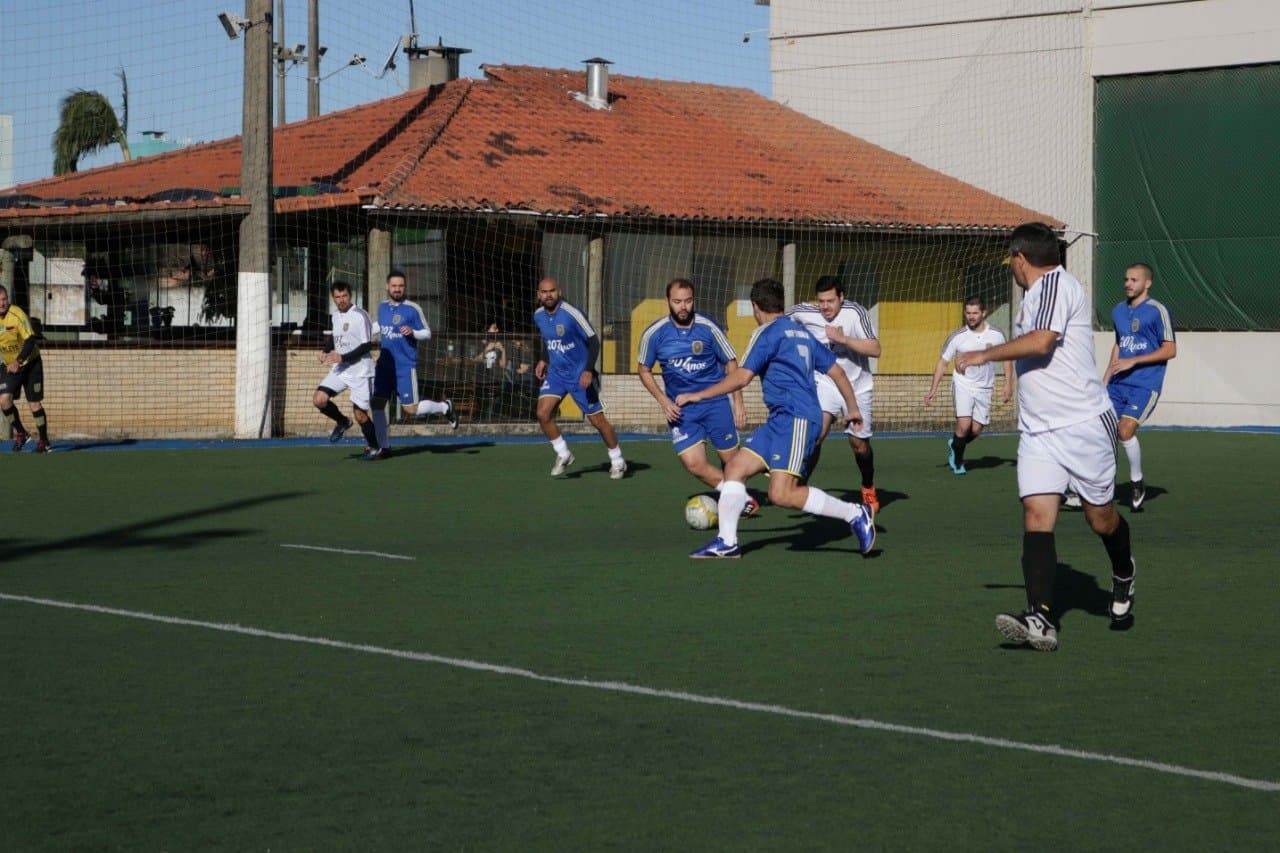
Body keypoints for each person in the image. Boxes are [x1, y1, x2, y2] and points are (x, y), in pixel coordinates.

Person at [955, 222, 1137, 651]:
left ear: (1021, 258)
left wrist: (982, 354)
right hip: (1038, 431)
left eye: (1011, 261)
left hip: (1084, 426)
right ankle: (1040, 617)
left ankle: (1124, 572)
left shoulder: (1056, 284)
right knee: (1037, 516)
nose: (1012, 268)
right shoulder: (1036, 296)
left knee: (1100, 519)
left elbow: (1041, 342)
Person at [675, 278, 875, 559]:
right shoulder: (802, 332)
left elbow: (742, 377)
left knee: (782, 494)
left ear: (756, 308)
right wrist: (852, 408)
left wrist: (700, 395)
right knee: (734, 468)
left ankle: (856, 514)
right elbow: (838, 373)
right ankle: (727, 541)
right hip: (780, 420)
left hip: (797, 419)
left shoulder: (766, 333)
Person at [637, 278, 756, 514]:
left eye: (688, 301)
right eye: (677, 301)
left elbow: (731, 363)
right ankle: (738, 497)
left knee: (732, 462)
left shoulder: (708, 328)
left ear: (694, 300)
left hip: (715, 403)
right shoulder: (654, 334)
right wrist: (663, 401)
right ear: (667, 302)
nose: (683, 307)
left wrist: (737, 403)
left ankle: (737, 498)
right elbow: (644, 369)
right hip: (682, 409)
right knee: (693, 463)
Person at [786, 276, 881, 516]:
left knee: (859, 446)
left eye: (830, 301)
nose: (825, 307)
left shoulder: (855, 312)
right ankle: (800, 485)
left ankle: (868, 485)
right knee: (817, 433)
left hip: (858, 386)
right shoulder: (803, 312)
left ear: (841, 297)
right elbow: (777, 322)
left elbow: (875, 349)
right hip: (826, 382)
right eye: (821, 301)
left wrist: (844, 339)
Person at [533, 277, 626, 479]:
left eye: (552, 291)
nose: (548, 295)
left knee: (598, 421)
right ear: (538, 294)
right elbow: (549, 340)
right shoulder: (538, 315)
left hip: (579, 375)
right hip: (557, 374)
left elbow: (594, 341)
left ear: (559, 291)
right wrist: (543, 359)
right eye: (544, 292)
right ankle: (563, 453)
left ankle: (618, 461)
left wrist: (588, 370)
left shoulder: (572, 314)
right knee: (542, 413)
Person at [1103, 263, 1176, 511]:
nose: (1128, 284)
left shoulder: (1157, 311)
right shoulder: (1118, 311)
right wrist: (1105, 380)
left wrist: (1134, 360)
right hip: (1117, 384)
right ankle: (1097, 486)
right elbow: (1119, 345)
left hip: (1145, 384)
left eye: (1134, 280)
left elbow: (1170, 349)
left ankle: (1136, 482)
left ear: (1147, 283)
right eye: (1126, 279)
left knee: (1124, 430)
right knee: (1101, 434)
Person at [923, 296, 1014, 474]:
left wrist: (1008, 383)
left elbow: (1007, 358)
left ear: (984, 313)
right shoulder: (957, 337)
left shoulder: (996, 335)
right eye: (968, 313)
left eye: (975, 313)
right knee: (964, 425)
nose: (971, 316)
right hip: (963, 384)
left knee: (977, 429)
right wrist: (933, 388)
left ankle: (955, 443)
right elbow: (942, 362)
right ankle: (958, 462)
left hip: (985, 387)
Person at [370, 270, 458, 451]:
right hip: (384, 367)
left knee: (411, 410)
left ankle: (444, 407)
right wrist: (362, 333)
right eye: (394, 286)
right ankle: (383, 446)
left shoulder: (412, 308)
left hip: (404, 367)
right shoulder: (382, 307)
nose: (397, 289)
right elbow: (379, 326)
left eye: (401, 286)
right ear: (387, 286)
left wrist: (413, 332)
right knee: (377, 404)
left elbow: (427, 333)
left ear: (405, 287)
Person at [312, 281, 384, 461]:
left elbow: (367, 345)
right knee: (319, 400)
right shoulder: (335, 315)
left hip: (361, 371)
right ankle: (342, 422)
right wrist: (325, 351)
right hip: (342, 369)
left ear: (350, 296)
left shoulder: (360, 315)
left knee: (360, 415)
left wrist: (342, 357)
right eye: (337, 297)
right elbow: (336, 338)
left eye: (344, 296)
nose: (341, 300)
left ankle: (375, 447)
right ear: (333, 298)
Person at [0, 284, 52, 452]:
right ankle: (21, 433)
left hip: (30, 363)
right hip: (9, 366)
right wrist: (11, 363)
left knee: (34, 404)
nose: (2, 303)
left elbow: (30, 340)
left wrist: (19, 360)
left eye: (4, 299)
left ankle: (44, 441)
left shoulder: (17, 314)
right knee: (4, 400)